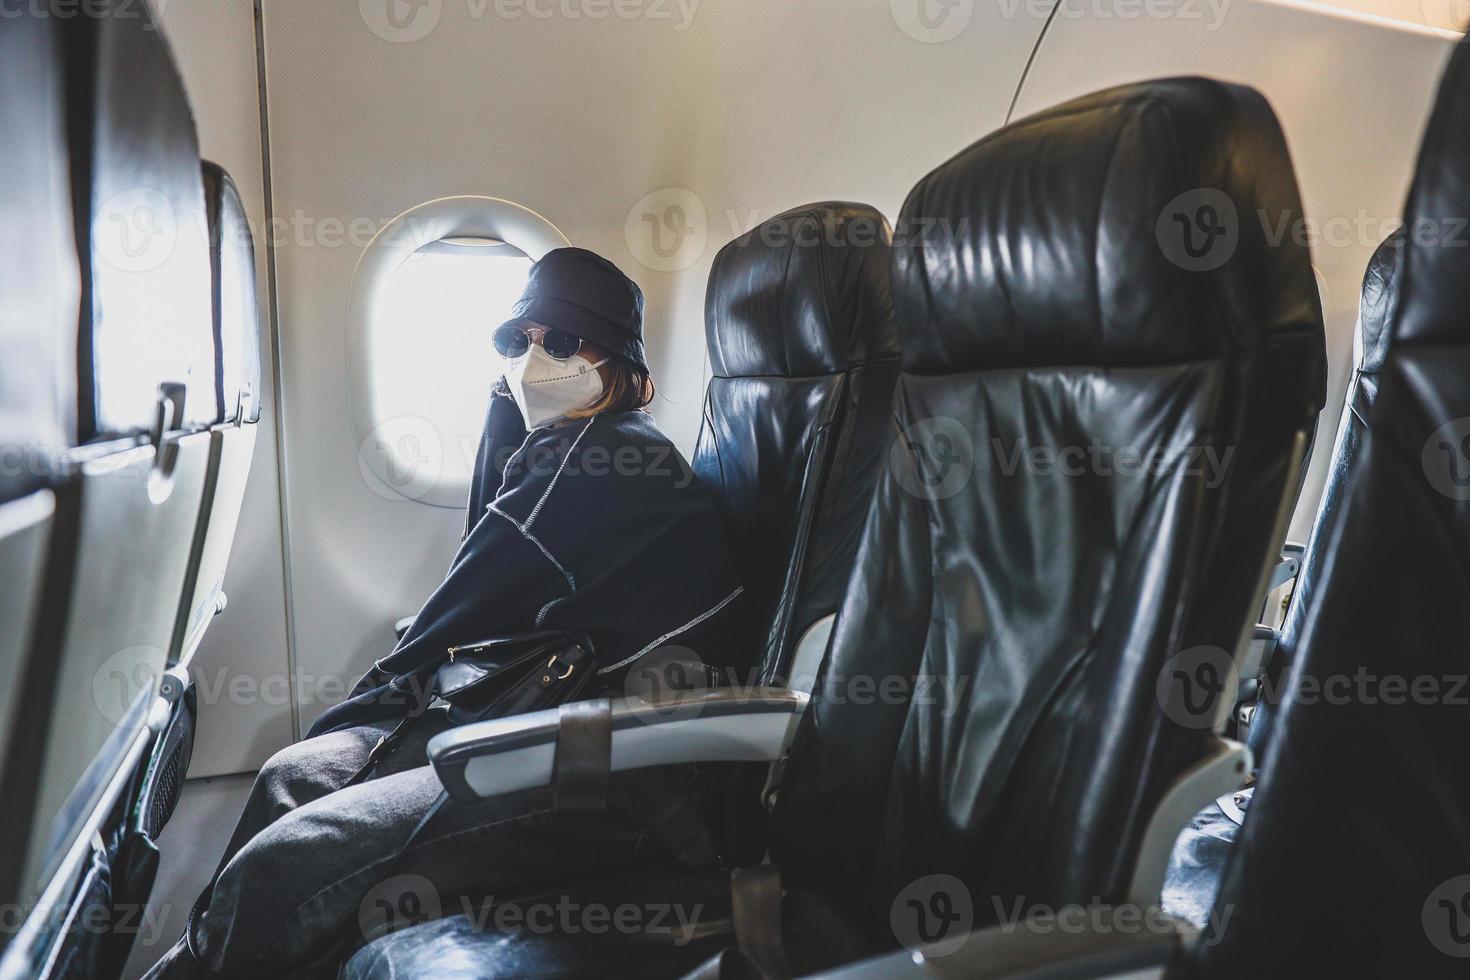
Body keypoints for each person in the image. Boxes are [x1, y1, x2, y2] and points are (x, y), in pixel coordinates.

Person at [146, 248, 749, 978]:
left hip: (632, 772)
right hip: (568, 723)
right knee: (290, 775)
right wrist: (505, 412)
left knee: (289, 861)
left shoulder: (589, 465)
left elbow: (451, 617)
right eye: (518, 340)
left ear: (619, 364)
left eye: (561, 342)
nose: (535, 360)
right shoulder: (580, 448)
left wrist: (360, 732)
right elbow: (484, 563)